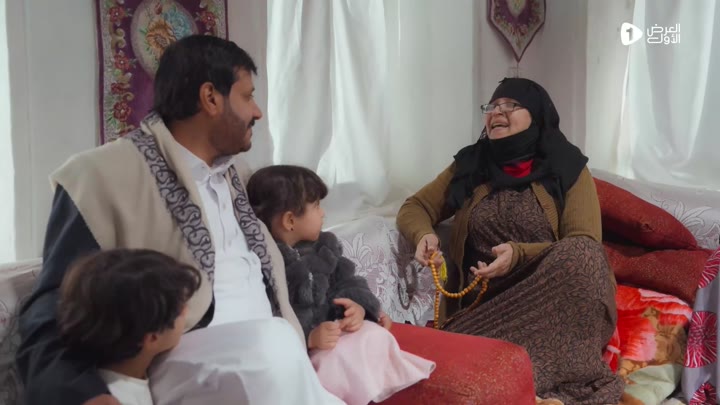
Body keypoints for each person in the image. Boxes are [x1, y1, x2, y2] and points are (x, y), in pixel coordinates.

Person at [16, 35, 343, 405]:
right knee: (273, 342)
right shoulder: (100, 176)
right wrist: (84, 394)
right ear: (211, 98)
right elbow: (53, 311)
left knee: (286, 346)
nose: (257, 112)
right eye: (248, 96)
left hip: (275, 367)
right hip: (177, 364)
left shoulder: (236, 177)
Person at [396, 77, 624, 403]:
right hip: (487, 307)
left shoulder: (568, 167)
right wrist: (425, 235)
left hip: (553, 301)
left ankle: (541, 385)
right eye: (492, 106)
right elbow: (415, 206)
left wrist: (518, 255)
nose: (497, 113)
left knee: (584, 254)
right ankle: (525, 386)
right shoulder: (471, 164)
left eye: (510, 105)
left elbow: (584, 244)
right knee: (457, 365)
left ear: (536, 115)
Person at [247, 165, 435, 405]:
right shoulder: (265, 265)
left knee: (374, 336)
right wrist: (308, 338)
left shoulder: (325, 247)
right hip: (302, 350)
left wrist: (359, 309)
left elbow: (348, 282)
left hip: (336, 332)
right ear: (290, 220)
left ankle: (372, 384)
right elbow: (270, 319)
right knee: (331, 363)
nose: (323, 213)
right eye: (316, 206)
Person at [57, 249, 201, 405]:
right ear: (152, 338)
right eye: (181, 309)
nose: (187, 311)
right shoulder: (118, 399)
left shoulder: (87, 379)